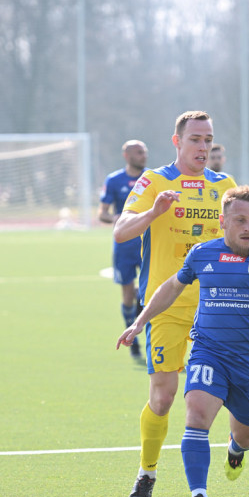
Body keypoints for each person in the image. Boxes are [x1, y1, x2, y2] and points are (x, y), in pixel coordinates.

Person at [112, 110, 249, 497]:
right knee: (163, 397)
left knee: (230, 410)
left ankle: (237, 444)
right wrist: (154, 213)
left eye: (208, 140)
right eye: (195, 140)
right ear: (177, 141)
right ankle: (147, 473)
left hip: (217, 307)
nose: (203, 147)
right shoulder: (155, 181)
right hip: (167, 303)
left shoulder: (223, 184)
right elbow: (121, 230)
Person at [99, 140, 149, 360]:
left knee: (149, 291)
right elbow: (102, 214)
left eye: (144, 152)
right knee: (127, 293)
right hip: (123, 246)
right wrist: (115, 218)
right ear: (126, 155)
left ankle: (147, 337)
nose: (143, 156)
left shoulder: (152, 178)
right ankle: (132, 338)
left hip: (147, 243)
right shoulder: (114, 180)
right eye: (139, 153)